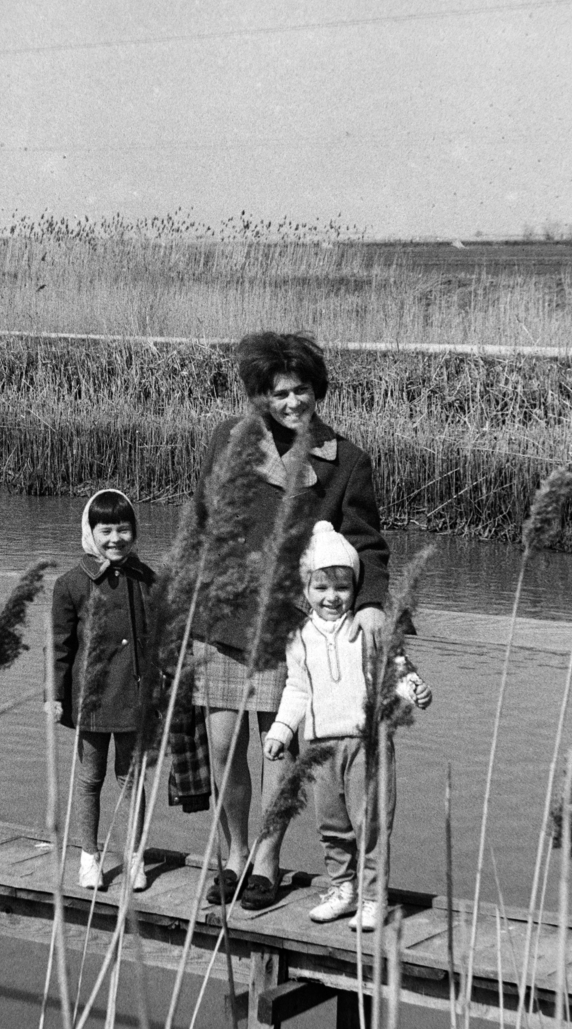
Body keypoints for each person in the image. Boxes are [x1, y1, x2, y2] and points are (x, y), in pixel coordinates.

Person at [193, 331, 391, 911]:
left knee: (276, 747)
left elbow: (368, 545)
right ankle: (232, 853)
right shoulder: (227, 443)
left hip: (294, 625)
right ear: (259, 397)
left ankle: (264, 860)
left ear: (317, 390)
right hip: (224, 615)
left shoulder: (345, 459)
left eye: (300, 390)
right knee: (223, 743)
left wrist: (373, 601)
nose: (291, 403)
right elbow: (204, 518)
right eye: (278, 393)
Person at [264, 522, 431, 930]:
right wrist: (281, 730)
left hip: (366, 742)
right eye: (321, 587)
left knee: (370, 820)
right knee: (332, 823)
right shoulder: (299, 638)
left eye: (341, 587)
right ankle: (343, 888)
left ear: (355, 588)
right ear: (306, 591)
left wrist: (414, 689)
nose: (332, 597)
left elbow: (395, 665)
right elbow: (297, 689)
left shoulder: (367, 630)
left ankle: (374, 897)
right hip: (321, 745)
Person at [50, 489, 155, 891]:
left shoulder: (147, 580)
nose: (115, 539)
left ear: (134, 531)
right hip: (90, 700)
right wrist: (53, 696)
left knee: (131, 780)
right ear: (90, 532)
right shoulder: (71, 584)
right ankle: (89, 855)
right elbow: (59, 646)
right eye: (106, 530)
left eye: (123, 529)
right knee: (89, 779)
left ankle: (134, 854)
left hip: (135, 698)